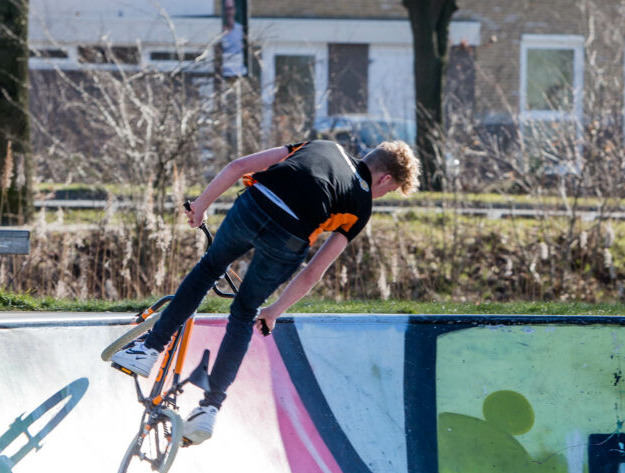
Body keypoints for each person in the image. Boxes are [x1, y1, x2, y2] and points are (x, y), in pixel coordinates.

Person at [111, 138, 420, 444]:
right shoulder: (361, 205)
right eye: (388, 191)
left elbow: (239, 166)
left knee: (208, 271)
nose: (381, 194)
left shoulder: (321, 144)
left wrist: (201, 205)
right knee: (244, 313)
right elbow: (314, 271)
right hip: (290, 238)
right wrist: (274, 311)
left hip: (255, 204)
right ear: (386, 178)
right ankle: (209, 407)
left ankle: (148, 350)